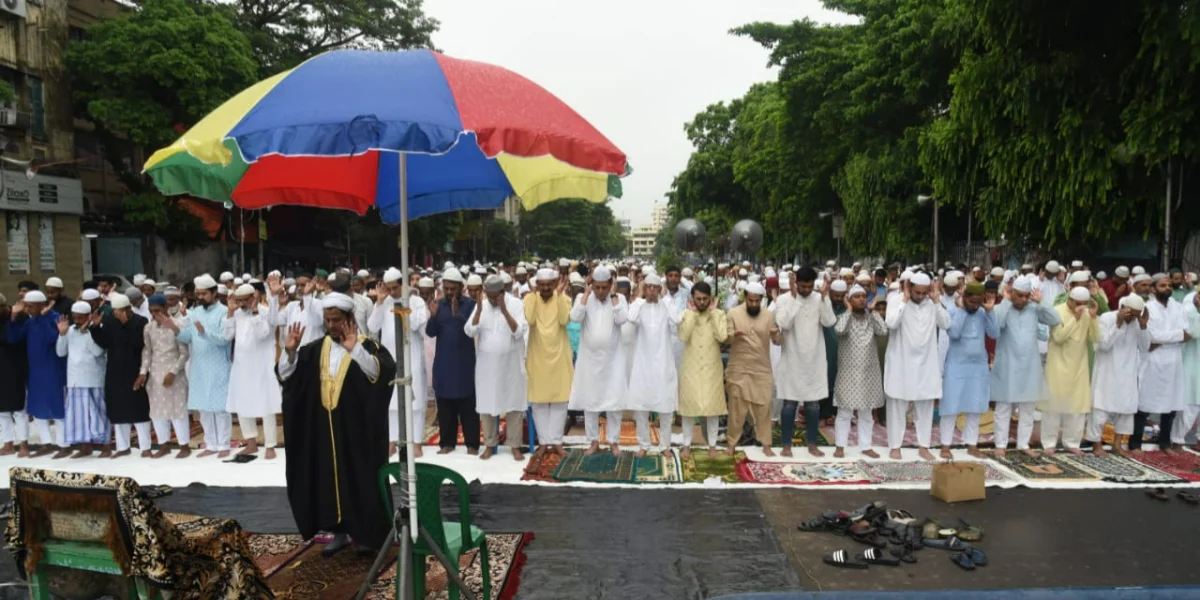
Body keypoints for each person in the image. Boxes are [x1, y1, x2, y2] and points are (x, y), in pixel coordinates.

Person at [278, 293, 396, 557]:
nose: (331, 325)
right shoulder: (314, 349)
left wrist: (355, 349)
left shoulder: (368, 346)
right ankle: (338, 533)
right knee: (327, 481)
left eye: (336, 320)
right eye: (327, 320)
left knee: (360, 480)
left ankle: (365, 536)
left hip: (357, 432)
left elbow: (380, 373)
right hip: (322, 431)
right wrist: (290, 353)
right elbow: (287, 375)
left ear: (349, 319)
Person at [990, 276, 1060, 456]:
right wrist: (1005, 302)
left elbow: (1054, 319)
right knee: (1004, 408)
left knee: (1028, 409)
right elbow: (997, 325)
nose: (1022, 299)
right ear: (1011, 292)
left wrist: (1041, 301)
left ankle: (1023, 445)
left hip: (1030, 367)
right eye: (1018, 295)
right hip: (1007, 366)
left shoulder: (1034, 309)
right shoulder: (1001, 308)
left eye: (1025, 296)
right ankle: (1000, 444)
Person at [884, 273, 949, 460]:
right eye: (916, 292)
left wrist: (936, 301)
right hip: (901, 363)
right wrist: (904, 300)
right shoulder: (896, 300)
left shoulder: (932, 303)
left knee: (925, 406)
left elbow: (946, 323)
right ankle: (895, 446)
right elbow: (891, 323)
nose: (920, 296)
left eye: (924, 293)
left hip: (926, 364)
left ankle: (923, 446)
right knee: (897, 405)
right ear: (908, 288)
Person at [774, 266, 837, 457]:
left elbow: (829, 322)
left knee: (812, 405)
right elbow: (783, 323)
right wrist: (794, 298)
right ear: (796, 283)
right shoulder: (785, 299)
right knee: (789, 404)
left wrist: (825, 298)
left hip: (814, 360)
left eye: (810, 286)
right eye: (803, 286)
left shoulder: (819, 299)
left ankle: (812, 445)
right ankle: (786, 446)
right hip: (792, 358)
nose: (807, 290)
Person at [568, 265, 630, 455]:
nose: (600, 291)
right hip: (589, 360)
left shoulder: (619, 300)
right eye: (597, 287)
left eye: (604, 287)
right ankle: (593, 441)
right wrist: (586, 295)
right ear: (591, 285)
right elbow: (575, 317)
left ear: (611, 285)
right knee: (590, 402)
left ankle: (614, 442)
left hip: (613, 361)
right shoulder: (582, 299)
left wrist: (613, 297)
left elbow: (622, 320)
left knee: (614, 403)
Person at [466, 275, 528, 461]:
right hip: (487, 367)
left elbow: (518, 332)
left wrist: (504, 310)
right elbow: (469, 331)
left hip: (511, 366)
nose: (492, 300)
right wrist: (477, 311)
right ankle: (490, 444)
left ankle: (515, 446)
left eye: (495, 296)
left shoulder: (516, 304)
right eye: (490, 296)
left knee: (514, 404)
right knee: (487, 403)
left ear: (503, 292)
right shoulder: (482, 305)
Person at [171, 275, 233, 458]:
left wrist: (204, 333)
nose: (200, 297)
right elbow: (189, 337)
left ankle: (224, 444)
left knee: (220, 408)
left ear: (214, 292)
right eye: (198, 294)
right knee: (204, 408)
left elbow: (224, 340)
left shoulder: (224, 312)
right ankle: (211, 444)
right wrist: (174, 329)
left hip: (219, 364)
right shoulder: (195, 312)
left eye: (204, 293)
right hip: (199, 365)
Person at [369, 267, 429, 458]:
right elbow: (372, 326)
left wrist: (403, 307)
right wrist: (379, 302)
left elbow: (418, 324)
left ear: (402, 285)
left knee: (416, 400)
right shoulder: (384, 302)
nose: (392, 292)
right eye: (389, 288)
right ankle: (392, 441)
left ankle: (416, 442)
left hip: (411, 355)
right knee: (392, 401)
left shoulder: (416, 301)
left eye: (395, 288)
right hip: (391, 358)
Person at [223, 284, 283, 459]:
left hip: (262, 366)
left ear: (253, 297)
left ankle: (270, 446)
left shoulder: (265, 312)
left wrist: (256, 311)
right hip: (242, 366)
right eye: (238, 300)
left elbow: (263, 334)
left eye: (244, 300)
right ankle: (251, 443)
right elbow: (227, 336)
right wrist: (229, 312)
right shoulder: (238, 314)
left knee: (267, 406)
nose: (241, 304)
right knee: (242, 404)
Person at [88, 294, 152, 458]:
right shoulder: (109, 322)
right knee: (118, 408)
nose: (115, 313)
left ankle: (145, 447)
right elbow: (104, 343)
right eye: (114, 311)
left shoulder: (141, 322)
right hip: (115, 370)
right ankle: (123, 447)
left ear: (127, 309)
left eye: (118, 311)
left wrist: (143, 372)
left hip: (135, 369)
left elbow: (142, 345)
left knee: (139, 408)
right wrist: (95, 328)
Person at [939, 282, 999, 459]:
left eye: (978, 302)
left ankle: (972, 444)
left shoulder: (983, 312)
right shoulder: (953, 310)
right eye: (971, 302)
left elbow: (994, 333)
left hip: (978, 367)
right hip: (956, 366)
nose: (974, 306)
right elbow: (954, 333)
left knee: (976, 406)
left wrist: (989, 311)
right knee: (950, 406)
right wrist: (961, 311)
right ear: (964, 298)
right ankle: (945, 445)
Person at [1087, 295, 1150, 456]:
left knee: (1126, 410)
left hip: (1128, 373)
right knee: (1100, 410)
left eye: (1137, 315)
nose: (1134, 318)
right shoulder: (1107, 318)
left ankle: (1117, 445)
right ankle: (1096, 445)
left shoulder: (1137, 323)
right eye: (1131, 314)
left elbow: (1144, 347)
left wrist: (1143, 327)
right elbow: (1104, 345)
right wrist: (1119, 325)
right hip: (1107, 372)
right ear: (1122, 308)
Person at [1041, 286, 1100, 455]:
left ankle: (1072, 443)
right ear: (1070, 300)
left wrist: (1094, 318)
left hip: (1079, 366)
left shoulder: (1088, 313)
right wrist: (1075, 318)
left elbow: (1095, 338)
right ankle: (1049, 443)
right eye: (1079, 303)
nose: (1082, 306)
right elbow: (1058, 337)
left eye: (1084, 303)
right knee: (1052, 406)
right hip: (1057, 365)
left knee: (1077, 406)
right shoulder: (1056, 311)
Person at [1134, 273, 1190, 452]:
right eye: (1162, 286)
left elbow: (1186, 333)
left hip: (1173, 360)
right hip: (1152, 361)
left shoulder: (1178, 307)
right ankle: (1136, 443)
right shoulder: (1147, 307)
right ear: (1153, 288)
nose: (1167, 289)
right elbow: (1150, 335)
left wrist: (1163, 339)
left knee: (1171, 404)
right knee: (1144, 403)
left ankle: (1165, 443)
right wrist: (1175, 336)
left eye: (1169, 286)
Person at [626, 274, 680, 457]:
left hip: (663, 363)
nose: (651, 290)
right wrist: (640, 296)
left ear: (659, 289)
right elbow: (631, 318)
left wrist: (665, 298)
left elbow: (676, 320)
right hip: (643, 364)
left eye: (654, 287)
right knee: (641, 407)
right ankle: (644, 445)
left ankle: (665, 446)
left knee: (665, 407)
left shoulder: (666, 305)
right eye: (648, 287)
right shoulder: (638, 306)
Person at [427, 268, 479, 454]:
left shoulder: (471, 305)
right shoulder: (438, 305)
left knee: (468, 405)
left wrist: (459, 315)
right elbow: (430, 332)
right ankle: (447, 443)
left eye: (453, 289)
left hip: (465, 364)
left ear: (461, 287)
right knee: (446, 405)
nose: (449, 292)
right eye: (446, 288)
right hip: (444, 364)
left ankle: (472, 444)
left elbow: (473, 329)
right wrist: (432, 317)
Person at [831, 284, 888, 458]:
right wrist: (848, 311)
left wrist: (874, 311)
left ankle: (865, 446)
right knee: (844, 412)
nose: (861, 299)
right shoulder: (844, 318)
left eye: (864, 296)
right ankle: (840, 446)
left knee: (867, 413)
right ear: (849, 300)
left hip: (869, 373)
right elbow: (839, 330)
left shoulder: (872, 318)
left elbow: (883, 331)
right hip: (848, 373)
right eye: (857, 296)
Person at [524, 268, 574, 457]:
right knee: (539, 402)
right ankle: (544, 442)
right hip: (537, 356)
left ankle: (557, 442)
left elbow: (563, 320)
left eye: (548, 285)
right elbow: (529, 319)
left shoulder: (565, 299)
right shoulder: (530, 299)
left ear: (555, 284)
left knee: (560, 401)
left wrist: (560, 296)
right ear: (537, 285)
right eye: (541, 285)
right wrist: (533, 297)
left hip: (559, 355)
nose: (545, 288)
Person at [724, 282, 777, 457]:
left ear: (762, 300)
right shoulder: (733, 313)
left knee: (764, 407)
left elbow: (778, 341)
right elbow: (726, 339)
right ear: (745, 298)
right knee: (736, 408)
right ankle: (732, 443)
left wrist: (776, 335)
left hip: (761, 368)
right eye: (750, 300)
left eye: (756, 301)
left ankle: (766, 443)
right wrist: (733, 335)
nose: (753, 304)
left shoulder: (769, 315)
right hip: (738, 367)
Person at [56, 301, 111, 458]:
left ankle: (106, 446)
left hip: (94, 378)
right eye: (75, 317)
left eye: (80, 318)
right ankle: (86, 447)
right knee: (80, 416)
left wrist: (89, 332)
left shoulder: (96, 330)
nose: (77, 321)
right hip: (74, 380)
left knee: (100, 413)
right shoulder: (70, 330)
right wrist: (62, 334)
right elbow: (60, 352)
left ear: (88, 316)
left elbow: (98, 352)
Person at [678, 282, 727, 459]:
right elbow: (683, 336)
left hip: (711, 367)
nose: (701, 302)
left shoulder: (719, 314)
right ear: (692, 299)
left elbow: (722, 336)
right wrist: (691, 314)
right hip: (690, 367)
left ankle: (712, 446)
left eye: (705, 299)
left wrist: (713, 313)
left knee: (712, 409)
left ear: (710, 299)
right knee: (688, 409)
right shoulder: (685, 314)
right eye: (698, 299)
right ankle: (686, 445)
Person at [140, 294, 191, 458]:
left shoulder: (177, 325)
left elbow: (184, 353)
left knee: (178, 410)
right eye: (151, 311)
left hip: (174, 374)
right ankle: (164, 445)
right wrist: (143, 372)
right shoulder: (148, 328)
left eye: (157, 310)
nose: (154, 314)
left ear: (166, 308)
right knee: (157, 412)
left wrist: (172, 372)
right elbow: (147, 351)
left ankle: (184, 446)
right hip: (155, 375)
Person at [0, 293, 30, 457]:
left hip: (16, 369)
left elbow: (11, 339)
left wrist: (13, 317)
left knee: (19, 409)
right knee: (2, 411)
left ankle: (24, 444)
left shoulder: (19, 317)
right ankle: (8, 443)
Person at [1173, 292, 1200, 450]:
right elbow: (1194, 332)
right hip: (1192, 365)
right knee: (1190, 406)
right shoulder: (1190, 306)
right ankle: (1177, 441)